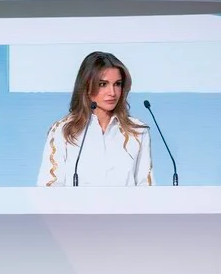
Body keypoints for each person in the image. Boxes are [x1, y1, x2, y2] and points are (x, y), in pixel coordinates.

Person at [37, 51, 154, 187]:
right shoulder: (63, 130)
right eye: (103, 84)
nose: (112, 92)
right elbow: (49, 188)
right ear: (86, 86)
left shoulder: (137, 131)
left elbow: (146, 188)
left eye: (117, 84)